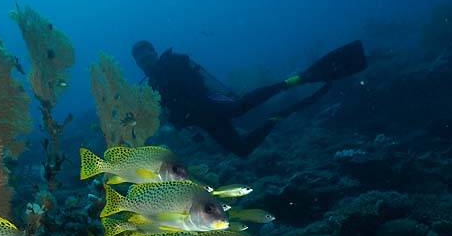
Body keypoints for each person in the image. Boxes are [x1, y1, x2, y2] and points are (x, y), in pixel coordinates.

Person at [132, 40, 367, 157]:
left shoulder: (174, 61)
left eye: (147, 54)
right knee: (242, 151)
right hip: (201, 121)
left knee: (238, 108)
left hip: (210, 101)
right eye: (140, 59)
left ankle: (294, 80)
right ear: (137, 64)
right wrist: (189, 132)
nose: (145, 59)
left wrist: (226, 91)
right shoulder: (150, 88)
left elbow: (202, 73)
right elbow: (167, 115)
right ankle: (277, 117)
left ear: (154, 52)